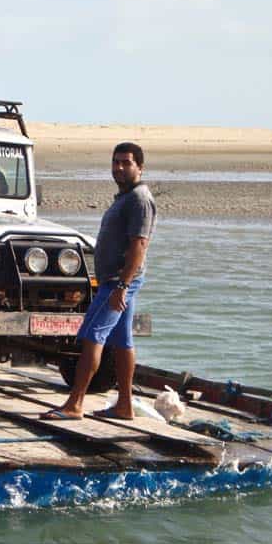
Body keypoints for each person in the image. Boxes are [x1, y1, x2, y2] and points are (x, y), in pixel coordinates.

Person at [42, 142, 156, 421]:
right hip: (116, 281)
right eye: (115, 162)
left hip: (118, 282)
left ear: (139, 167)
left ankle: (75, 404)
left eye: (126, 163)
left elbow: (139, 245)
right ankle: (125, 405)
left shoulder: (139, 199)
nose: (119, 167)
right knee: (122, 341)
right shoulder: (126, 197)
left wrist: (122, 285)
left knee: (93, 337)